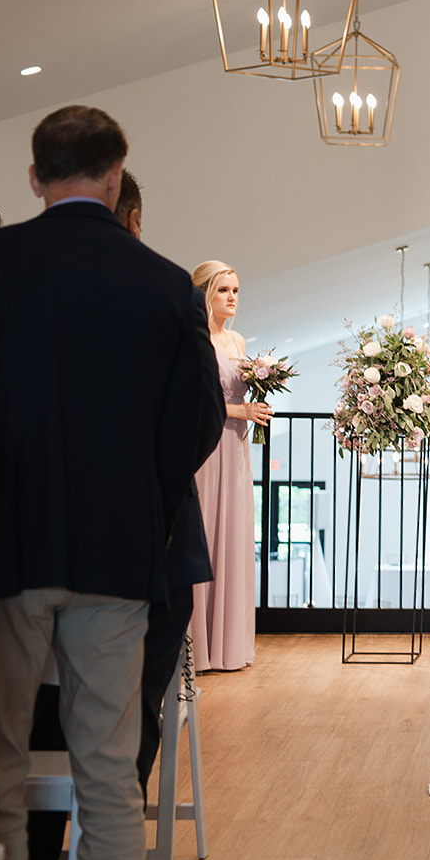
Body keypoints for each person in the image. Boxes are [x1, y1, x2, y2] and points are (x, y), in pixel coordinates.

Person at [0, 105, 222, 860]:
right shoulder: (162, 284)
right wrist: (146, 506)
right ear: (116, 174)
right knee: (109, 768)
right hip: (119, 554)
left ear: (33, 177)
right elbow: (193, 422)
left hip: (4, 551)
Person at [189, 261, 268, 672]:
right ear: (205, 293)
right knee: (205, 530)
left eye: (236, 290)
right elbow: (194, 398)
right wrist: (241, 409)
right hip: (209, 445)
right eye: (224, 290)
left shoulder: (236, 340)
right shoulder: (194, 337)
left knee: (234, 534)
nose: (233, 297)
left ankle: (230, 644)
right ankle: (199, 647)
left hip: (236, 447)